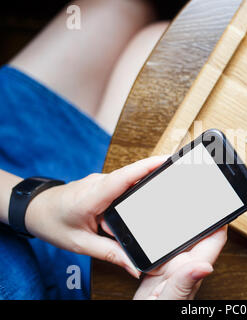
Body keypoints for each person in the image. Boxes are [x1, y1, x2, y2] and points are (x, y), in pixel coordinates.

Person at [0, 0, 227, 300]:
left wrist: (36, 205)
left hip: (16, 189)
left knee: (122, 7)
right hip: (75, 275)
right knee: (164, 42)